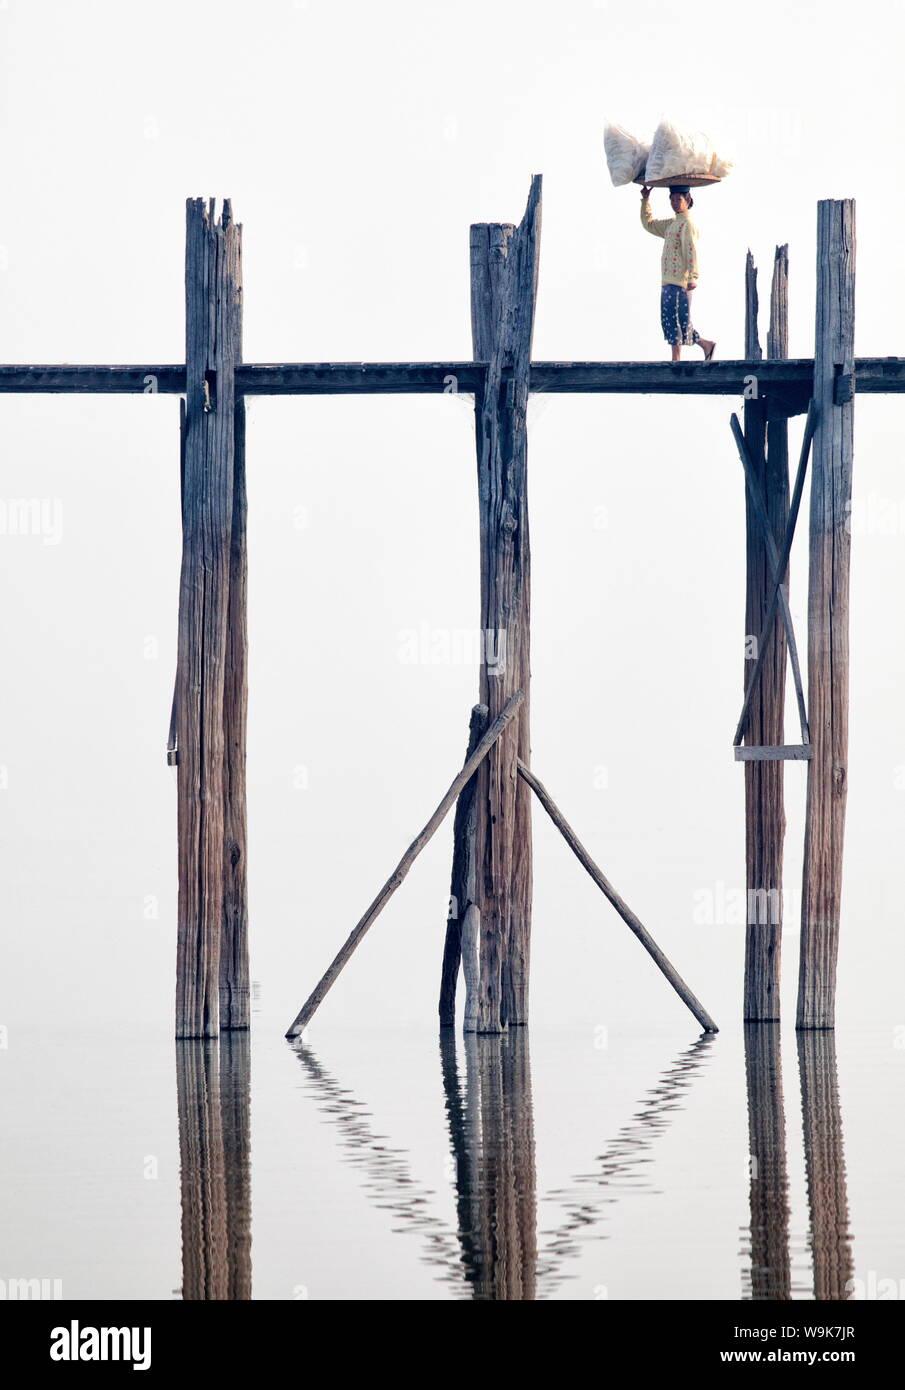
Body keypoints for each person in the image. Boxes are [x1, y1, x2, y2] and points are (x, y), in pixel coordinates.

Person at [640, 184, 716, 363]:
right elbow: (649, 224)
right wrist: (645, 200)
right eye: (672, 199)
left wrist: (692, 277)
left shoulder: (687, 225)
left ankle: (677, 358)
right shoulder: (672, 224)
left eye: (679, 199)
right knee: (675, 321)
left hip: (679, 282)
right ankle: (705, 345)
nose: (675, 203)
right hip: (668, 281)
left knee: (676, 320)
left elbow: (691, 250)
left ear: (687, 200)